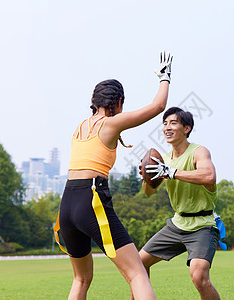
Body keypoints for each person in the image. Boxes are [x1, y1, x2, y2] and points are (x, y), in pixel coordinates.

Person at [55, 51, 173, 300]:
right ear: (117, 102)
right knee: (137, 273)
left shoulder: (79, 127)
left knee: (81, 279)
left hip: (67, 204)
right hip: (91, 199)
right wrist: (165, 77)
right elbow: (158, 107)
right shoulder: (110, 124)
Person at [138, 107, 221, 300]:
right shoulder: (163, 159)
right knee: (138, 265)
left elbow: (209, 176)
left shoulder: (199, 152)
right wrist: (147, 178)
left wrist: (172, 172)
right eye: (165, 124)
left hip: (202, 225)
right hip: (176, 225)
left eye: (173, 123)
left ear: (186, 128)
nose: (167, 127)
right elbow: (148, 192)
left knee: (199, 276)